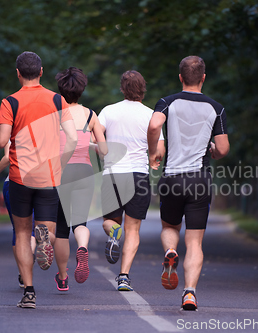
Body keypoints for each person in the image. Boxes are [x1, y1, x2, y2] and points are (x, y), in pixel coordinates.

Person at [0, 51, 77, 309]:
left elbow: (2, 140)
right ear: (41, 72)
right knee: (49, 232)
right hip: (48, 178)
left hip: (20, 177)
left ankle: (29, 292)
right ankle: (45, 240)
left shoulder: (10, 102)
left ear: (18, 73)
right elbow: (73, 139)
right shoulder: (58, 100)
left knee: (22, 233)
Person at [147, 55, 230, 310]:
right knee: (194, 242)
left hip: (172, 178)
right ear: (203, 78)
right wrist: (214, 151)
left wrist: (153, 151)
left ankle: (170, 251)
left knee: (170, 226)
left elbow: (153, 125)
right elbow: (223, 149)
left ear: (180, 77)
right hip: (200, 180)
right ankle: (190, 293)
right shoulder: (216, 108)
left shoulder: (167, 102)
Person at [98, 70, 164, 291]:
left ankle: (114, 233)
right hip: (139, 176)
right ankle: (124, 276)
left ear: (122, 88)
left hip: (112, 175)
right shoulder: (151, 115)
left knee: (110, 222)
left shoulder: (108, 111)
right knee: (133, 230)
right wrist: (154, 157)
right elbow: (159, 151)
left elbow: (95, 139)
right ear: (143, 90)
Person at [52, 67, 107, 291]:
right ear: (82, 90)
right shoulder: (91, 115)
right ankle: (82, 247)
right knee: (80, 222)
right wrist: (93, 142)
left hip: (61, 172)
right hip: (84, 172)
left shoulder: (53, 114)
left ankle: (63, 278)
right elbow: (103, 150)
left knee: (61, 229)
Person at [0, 141, 36, 288]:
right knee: (32, 229)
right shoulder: (42, 130)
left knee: (19, 229)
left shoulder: (11, 135)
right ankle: (31, 254)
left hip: (14, 183)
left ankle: (23, 270)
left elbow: (8, 158)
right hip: (38, 182)